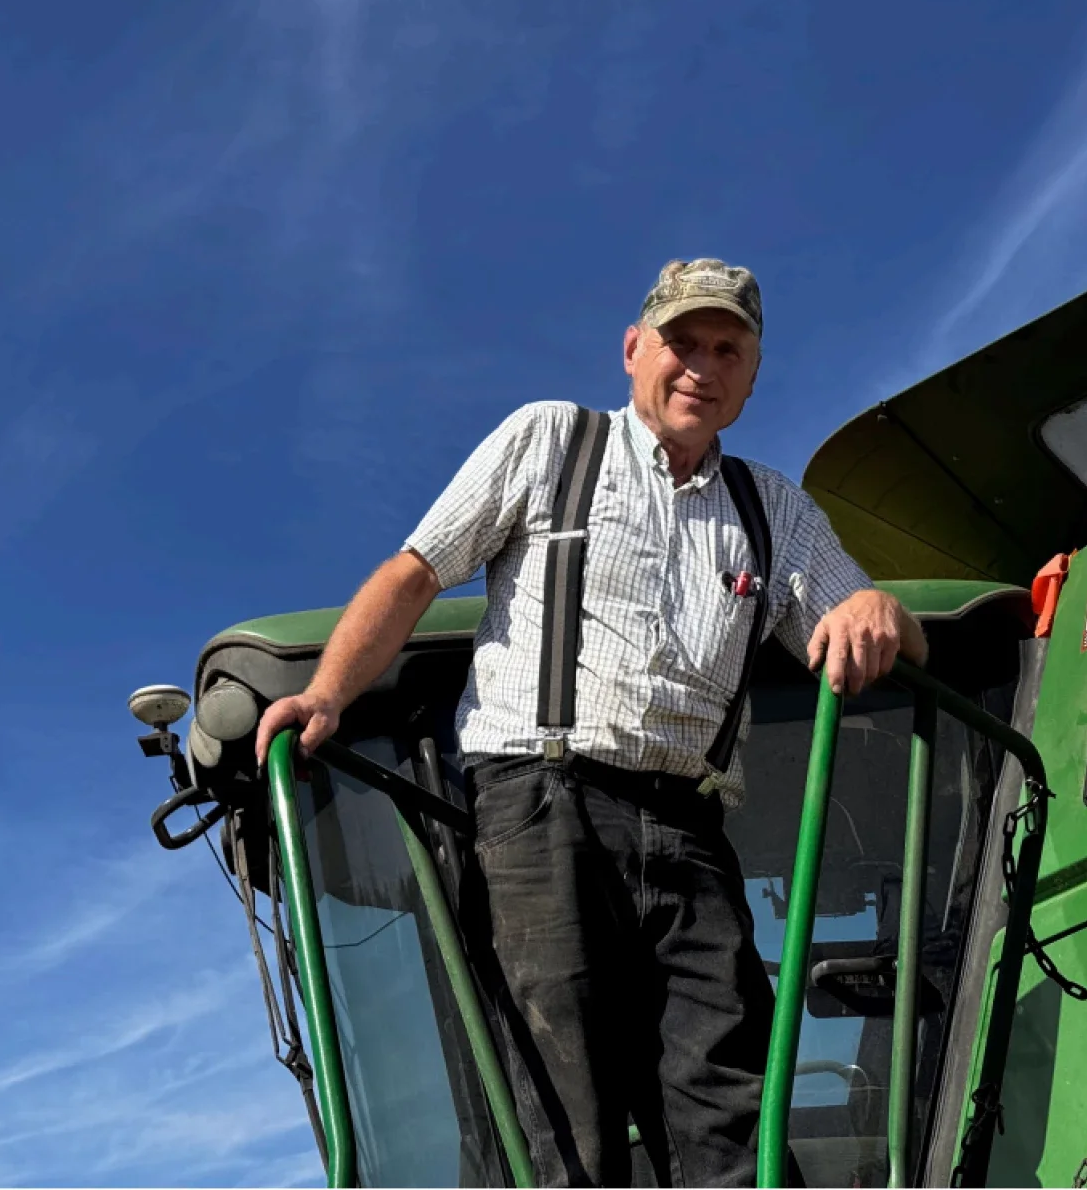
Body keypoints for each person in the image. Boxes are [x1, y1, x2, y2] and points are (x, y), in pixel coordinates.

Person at [257, 258, 928, 1187]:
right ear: (631, 350)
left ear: (752, 374)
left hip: (691, 830)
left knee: (731, 1107)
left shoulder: (772, 510)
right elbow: (417, 570)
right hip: (541, 808)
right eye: (680, 342)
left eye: (726, 349)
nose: (701, 364)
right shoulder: (550, 442)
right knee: (562, 1116)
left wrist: (880, 612)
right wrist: (327, 694)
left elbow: (876, 631)